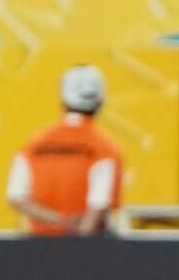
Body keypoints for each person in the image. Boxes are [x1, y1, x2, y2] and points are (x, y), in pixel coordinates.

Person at [7, 65, 122, 236]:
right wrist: (78, 238)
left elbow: (17, 197)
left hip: (39, 246)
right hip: (89, 248)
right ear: (100, 101)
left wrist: (61, 220)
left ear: (64, 99)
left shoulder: (33, 146)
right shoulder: (105, 148)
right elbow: (98, 207)